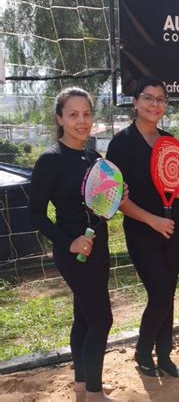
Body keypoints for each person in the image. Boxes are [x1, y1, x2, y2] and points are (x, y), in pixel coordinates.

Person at [29, 88, 120, 401]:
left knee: (84, 316)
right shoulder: (50, 161)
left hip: (98, 248)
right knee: (102, 320)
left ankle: (83, 384)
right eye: (73, 115)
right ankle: (94, 394)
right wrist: (70, 243)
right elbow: (36, 215)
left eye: (86, 114)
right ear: (60, 119)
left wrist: (118, 194)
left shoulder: (93, 157)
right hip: (73, 253)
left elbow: (99, 202)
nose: (82, 121)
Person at [106, 77, 179, 378]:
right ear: (135, 102)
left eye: (161, 99)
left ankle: (164, 355)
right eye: (149, 98)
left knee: (170, 292)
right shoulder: (121, 144)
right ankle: (143, 352)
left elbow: (176, 181)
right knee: (160, 295)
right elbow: (117, 199)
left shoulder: (169, 140)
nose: (155, 104)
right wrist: (153, 220)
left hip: (173, 225)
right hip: (143, 229)